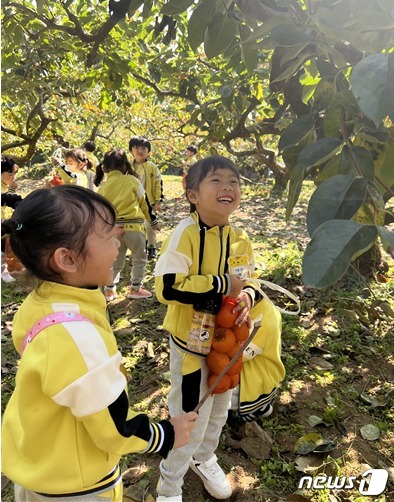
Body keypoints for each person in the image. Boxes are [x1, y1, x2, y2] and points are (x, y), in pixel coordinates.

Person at [1, 185, 197, 501]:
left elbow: (66, 370)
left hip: (41, 464)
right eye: (107, 234)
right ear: (66, 259)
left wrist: (100, 376)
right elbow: (114, 428)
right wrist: (167, 434)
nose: (118, 238)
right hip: (76, 485)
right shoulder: (76, 337)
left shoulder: (43, 303)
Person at [154, 155, 263, 501]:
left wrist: (245, 294)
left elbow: (252, 282)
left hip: (227, 343)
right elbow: (167, 287)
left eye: (234, 181)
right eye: (216, 181)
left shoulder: (240, 238)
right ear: (192, 195)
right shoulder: (185, 233)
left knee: (219, 406)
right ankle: (169, 484)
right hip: (190, 345)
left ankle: (204, 458)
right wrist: (220, 284)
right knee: (190, 414)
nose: (228, 187)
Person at [96, 148, 159, 300]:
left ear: (105, 168)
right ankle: (135, 288)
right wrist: (153, 222)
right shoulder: (132, 181)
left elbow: (99, 211)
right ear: (125, 165)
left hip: (113, 230)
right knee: (139, 258)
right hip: (134, 228)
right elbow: (144, 204)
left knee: (115, 261)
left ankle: (110, 289)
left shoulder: (103, 187)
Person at [128, 135, 163, 260]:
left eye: (143, 148)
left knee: (150, 225)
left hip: (150, 202)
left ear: (148, 151)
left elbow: (158, 184)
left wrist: (158, 200)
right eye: (136, 147)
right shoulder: (128, 168)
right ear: (131, 150)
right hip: (133, 203)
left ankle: (152, 246)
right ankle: (140, 247)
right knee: (137, 226)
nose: (140, 151)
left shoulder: (152, 167)